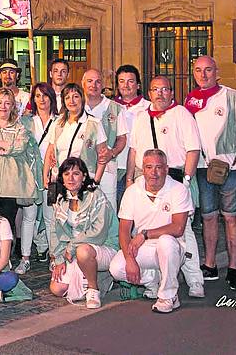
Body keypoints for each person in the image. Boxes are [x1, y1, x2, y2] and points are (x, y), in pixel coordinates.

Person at [127, 76, 204, 298]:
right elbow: (134, 151)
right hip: (145, 181)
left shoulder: (181, 114)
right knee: (145, 230)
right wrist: (131, 178)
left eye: (164, 90)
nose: (160, 94)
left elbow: (193, 150)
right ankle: (153, 282)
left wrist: (187, 181)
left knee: (183, 232)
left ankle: (194, 280)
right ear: (149, 93)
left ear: (171, 93)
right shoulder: (141, 118)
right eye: (155, 90)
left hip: (176, 179)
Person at [185, 55, 236, 291]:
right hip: (203, 169)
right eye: (198, 70)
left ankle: (233, 268)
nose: (203, 75)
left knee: (231, 216)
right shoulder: (191, 101)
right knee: (208, 216)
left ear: (216, 72)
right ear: (193, 74)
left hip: (231, 167)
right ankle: (210, 264)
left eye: (208, 70)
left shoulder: (233, 96)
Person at [109, 149, 192, 313]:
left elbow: (178, 228)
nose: (154, 173)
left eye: (158, 167)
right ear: (142, 169)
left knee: (166, 242)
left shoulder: (179, 189)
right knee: (117, 268)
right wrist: (130, 259)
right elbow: (124, 230)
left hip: (173, 248)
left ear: (166, 169)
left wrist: (145, 234)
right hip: (143, 248)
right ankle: (152, 279)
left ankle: (168, 296)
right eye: (148, 167)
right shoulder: (132, 191)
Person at [0, 88, 42, 265]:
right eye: (0, 102)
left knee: (7, 224)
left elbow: (20, 146)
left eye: (7, 103)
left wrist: (2, 147)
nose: (3, 106)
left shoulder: (19, 128)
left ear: (13, 106)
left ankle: (5, 260)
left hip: (12, 185)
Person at [48, 157, 119, 308]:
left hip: (103, 246)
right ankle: (93, 275)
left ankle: (94, 288)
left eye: (76, 174)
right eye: (66, 174)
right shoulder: (62, 200)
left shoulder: (96, 195)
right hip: (75, 250)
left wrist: (72, 246)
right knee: (57, 289)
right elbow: (55, 232)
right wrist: (59, 259)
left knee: (83, 251)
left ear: (84, 176)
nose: (71, 178)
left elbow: (98, 232)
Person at [18, 82, 59, 270]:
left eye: (45, 95)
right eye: (37, 96)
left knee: (51, 218)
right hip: (31, 176)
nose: (41, 100)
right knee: (29, 216)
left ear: (52, 98)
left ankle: (53, 256)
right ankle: (25, 258)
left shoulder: (60, 121)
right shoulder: (25, 121)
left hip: (52, 176)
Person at [43, 83, 108, 192]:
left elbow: (103, 157)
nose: (71, 101)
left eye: (75, 96)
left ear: (82, 99)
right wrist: (45, 175)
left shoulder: (94, 124)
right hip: (61, 181)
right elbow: (50, 151)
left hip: (84, 183)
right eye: (67, 97)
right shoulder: (58, 124)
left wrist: (95, 181)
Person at [82, 69, 127, 210]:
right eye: (89, 81)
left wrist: (112, 153)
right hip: (81, 168)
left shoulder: (115, 108)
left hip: (107, 167)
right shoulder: (75, 107)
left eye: (98, 82)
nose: (93, 85)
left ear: (102, 85)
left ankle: (112, 233)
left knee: (109, 207)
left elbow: (122, 138)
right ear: (82, 83)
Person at [112, 64, 150, 206]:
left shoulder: (149, 107)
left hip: (140, 166)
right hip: (117, 165)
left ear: (138, 85)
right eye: (121, 81)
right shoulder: (110, 107)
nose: (126, 85)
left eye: (130, 81)